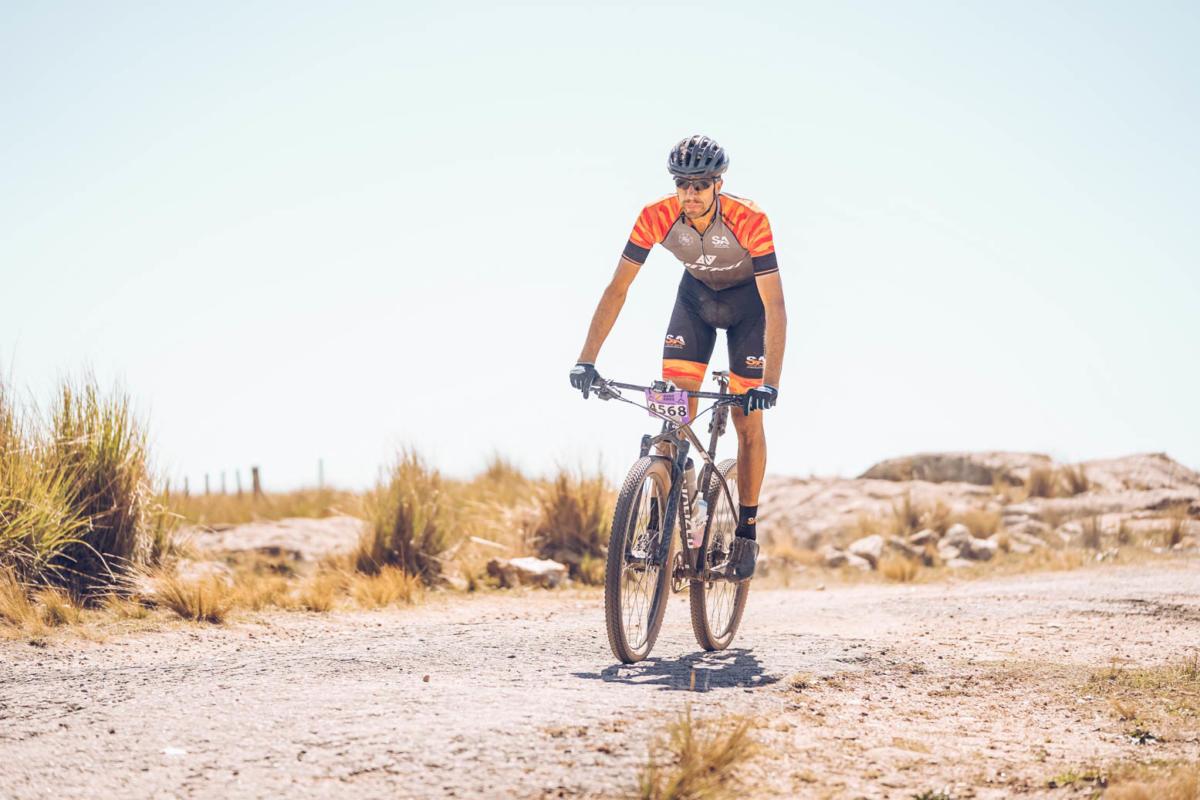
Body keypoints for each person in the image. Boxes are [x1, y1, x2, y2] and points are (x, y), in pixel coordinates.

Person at [569, 134, 787, 581]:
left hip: (749, 309)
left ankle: (746, 532)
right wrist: (586, 359)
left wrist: (770, 383)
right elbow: (618, 288)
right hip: (696, 304)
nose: (690, 193)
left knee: (747, 420)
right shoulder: (656, 215)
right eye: (682, 184)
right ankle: (658, 519)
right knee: (673, 411)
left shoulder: (750, 218)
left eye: (700, 184)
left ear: (718, 184)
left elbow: (775, 305)